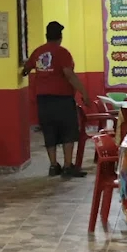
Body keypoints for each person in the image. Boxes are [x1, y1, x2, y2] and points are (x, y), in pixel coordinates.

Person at [22, 21, 89, 178]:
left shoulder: (38, 52)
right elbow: (69, 74)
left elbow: (26, 69)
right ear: (60, 37)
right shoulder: (62, 53)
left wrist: (26, 71)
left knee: (49, 131)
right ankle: (67, 166)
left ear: (46, 36)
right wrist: (84, 93)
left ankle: (53, 166)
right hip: (62, 99)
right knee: (68, 131)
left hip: (43, 101)